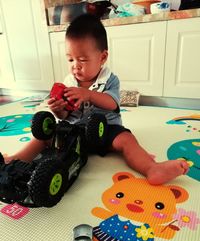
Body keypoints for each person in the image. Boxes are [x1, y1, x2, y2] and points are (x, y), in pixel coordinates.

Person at [4, 14, 188, 185]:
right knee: (45, 135)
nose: (75, 66)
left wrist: (89, 94)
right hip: (75, 132)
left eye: (82, 60)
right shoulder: (70, 83)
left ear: (102, 57)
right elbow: (67, 114)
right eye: (70, 60)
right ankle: (15, 159)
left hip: (106, 130)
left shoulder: (110, 79)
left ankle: (152, 168)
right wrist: (58, 110)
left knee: (127, 140)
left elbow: (112, 103)